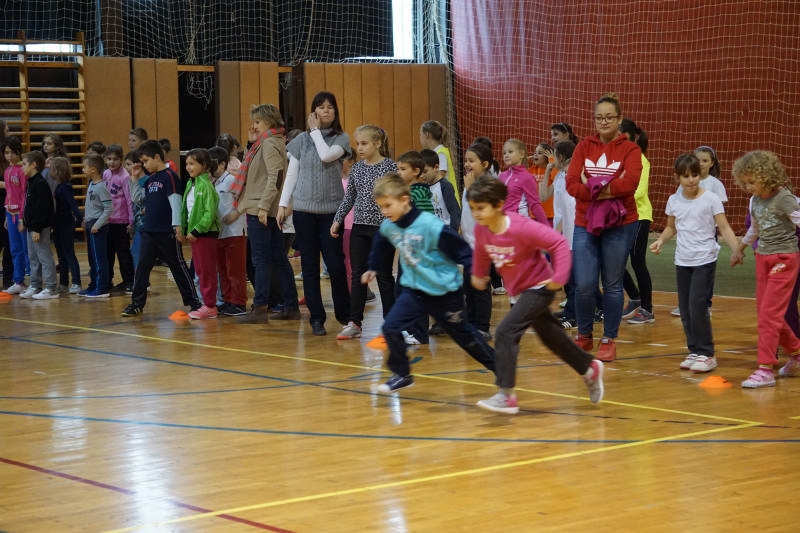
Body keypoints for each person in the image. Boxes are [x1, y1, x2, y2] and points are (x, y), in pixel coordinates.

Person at [468, 175, 604, 413]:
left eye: (481, 208)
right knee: (552, 337)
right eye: (472, 209)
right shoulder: (482, 230)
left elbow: (558, 243)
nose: (476, 214)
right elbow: (481, 251)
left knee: (505, 331)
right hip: (521, 291)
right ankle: (588, 368)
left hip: (540, 287)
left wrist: (559, 276)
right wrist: (478, 274)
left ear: (498, 205)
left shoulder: (520, 226)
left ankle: (506, 395)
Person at [364, 172, 496, 393]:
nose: (384, 211)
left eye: (388, 205)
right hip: (415, 291)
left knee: (465, 337)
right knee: (390, 327)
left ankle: (499, 366)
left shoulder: (430, 225)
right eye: (381, 207)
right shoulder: (390, 226)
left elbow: (462, 250)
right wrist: (372, 266)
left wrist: (476, 272)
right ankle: (402, 374)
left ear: (404, 200)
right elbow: (380, 241)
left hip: (445, 293)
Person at [565, 93, 642, 362]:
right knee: (585, 283)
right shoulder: (583, 147)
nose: (604, 122)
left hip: (621, 224)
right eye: (599, 118)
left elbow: (630, 184)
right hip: (585, 223)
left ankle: (609, 338)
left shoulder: (631, 150)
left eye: (609, 117)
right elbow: (571, 185)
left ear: (619, 119)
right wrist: (608, 188)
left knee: (612, 284)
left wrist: (592, 186)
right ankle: (584, 335)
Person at [650, 153, 742, 373]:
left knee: (697, 305)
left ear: (700, 175)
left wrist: (737, 249)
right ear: (677, 178)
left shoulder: (710, 199)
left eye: (694, 175)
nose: (691, 180)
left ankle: (707, 353)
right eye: (685, 176)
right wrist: (661, 240)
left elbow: (724, 227)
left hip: (705, 259)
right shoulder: (674, 200)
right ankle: (694, 350)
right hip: (683, 260)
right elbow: (671, 227)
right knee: (685, 309)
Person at [278, 91, 351, 336]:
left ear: (335, 111)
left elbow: (326, 155)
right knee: (309, 267)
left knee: (336, 265)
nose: (326, 110)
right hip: (303, 212)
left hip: (331, 213)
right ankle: (316, 318)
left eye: (330, 107)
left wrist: (316, 132)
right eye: (321, 107)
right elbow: (292, 173)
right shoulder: (301, 140)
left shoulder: (341, 138)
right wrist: (283, 203)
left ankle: (345, 315)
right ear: (314, 111)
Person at [731, 150, 800, 388]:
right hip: (763, 258)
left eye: (752, 182)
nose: (748, 187)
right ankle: (797, 353)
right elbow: (755, 229)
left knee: (769, 316)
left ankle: (765, 369)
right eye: (745, 183)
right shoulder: (755, 200)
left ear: (766, 176)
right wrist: (740, 249)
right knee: (766, 314)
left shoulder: (784, 198)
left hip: (784, 259)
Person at [233, 103, 299, 323]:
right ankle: (290, 305)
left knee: (260, 260)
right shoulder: (269, 141)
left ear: (269, 121)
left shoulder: (270, 143)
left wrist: (263, 206)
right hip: (267, 206)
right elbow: (254, 170)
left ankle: (260, 307)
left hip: (261, 207)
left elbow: (275, 176)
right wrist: (251, 142)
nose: (254, 125)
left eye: (258, 121)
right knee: (278, 258)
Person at [121, 140, 201, 316]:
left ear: (157, 157)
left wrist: (177, 225)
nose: (144, 165)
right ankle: (136, 303)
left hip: (167, 232)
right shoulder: (150, 179)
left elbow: (175, 201)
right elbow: (137, 199)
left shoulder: (169, 176)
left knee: (178, 266)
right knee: (142, 267)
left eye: (146, 161)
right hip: (149, 232)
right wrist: (134, 179)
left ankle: (194, 302)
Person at [331, 125, 397, 339]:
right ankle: (354, 322)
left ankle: (391, 323)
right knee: (358, 275)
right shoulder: (357, 168)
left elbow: (397, 197)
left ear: (377, 143)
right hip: (359, 228)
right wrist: (337, 219)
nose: (359, 148)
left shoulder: (390, 167)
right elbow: (349, 197)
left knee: (384, 275)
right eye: (358, 143)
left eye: (364, 143)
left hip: (384, 229)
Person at [671, 145, 728, 317]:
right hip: (687, 235)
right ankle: (684, 303)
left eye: (705, 160)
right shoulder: (683, 186)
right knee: (685, 270)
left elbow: (720, 213)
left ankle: (705, 304)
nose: (701, 164)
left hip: (706, 235)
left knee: (705, 272)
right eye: (698, 160)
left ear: (712, 163)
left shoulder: (715, 185)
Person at [394, 150, 435, 344]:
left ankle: (419, 333)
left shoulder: (418, 194)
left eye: (403, 169)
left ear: (416, 171)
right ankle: (408, 329)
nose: (399, 172)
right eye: (398, 168)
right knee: (402, 290)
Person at [618, 118, 655, 324]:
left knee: (637, 261)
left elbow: (639, 191)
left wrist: (614, 197)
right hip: (620, 216)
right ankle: (634, 297)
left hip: (639, 216)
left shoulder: (640, 159)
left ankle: (647, 310)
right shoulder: (617, 159)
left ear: (631, 138)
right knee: (614, 260)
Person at [541, 140, 578, 329]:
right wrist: (547, 172)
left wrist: (556, 234)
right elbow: (543, 196)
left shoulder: (573, 176)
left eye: (554, 156)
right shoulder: (560, 176)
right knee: (567, 279)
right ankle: (571, 312)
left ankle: (574, 316)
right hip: (563, 235)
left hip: (571, 235)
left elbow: (569, 210)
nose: (552, 159)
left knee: (574, 280)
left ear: (561, 157)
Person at [460, 141, 494, 338]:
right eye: (466, 160)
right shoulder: (470, 182)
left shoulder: (487, 185)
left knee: (480, 286)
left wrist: (471, 189)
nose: (467, 164)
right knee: (469, 285)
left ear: (485, 164)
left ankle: (482, 326)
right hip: (468, 244)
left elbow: (482, 214)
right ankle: (471, 323)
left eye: (471, 160)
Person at [181, 148, 221, 319]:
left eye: (192, 164)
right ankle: (206, 303)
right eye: (187, 164)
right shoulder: (191, 184)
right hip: (195, 235)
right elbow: (186, 210)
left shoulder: (206, 185)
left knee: (206, 271)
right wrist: (184, 229)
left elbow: (209, 213)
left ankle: (210, 306)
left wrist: (197, 230)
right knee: (199, 270)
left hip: (205, 234)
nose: (188, 167)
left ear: (204, 165)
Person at [208, 146, 248, 316]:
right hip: (220, 232)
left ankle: (239, 303)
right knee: (223, 270)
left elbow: (245, 198)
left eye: (213, 164)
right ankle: (228, 300)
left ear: (222, 164)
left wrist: (235, 213)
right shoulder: (213, 183)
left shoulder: (232, 180)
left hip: (235, 232)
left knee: (235, 270)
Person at [17, 151, 58, 300]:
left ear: (33, 165)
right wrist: (25, 221)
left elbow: (43, 209)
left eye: (24, 164)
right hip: (31, 227)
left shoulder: (40, 183)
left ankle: (51, 288)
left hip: (39, 228)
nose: (22, 167)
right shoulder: (31, 182)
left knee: (44, 257)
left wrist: (37, 229)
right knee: (33, 257)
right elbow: (30, 207)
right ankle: (35, 285)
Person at [102, 143, 135, 293]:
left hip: (121, 222)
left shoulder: (125, 177)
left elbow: (129, 200)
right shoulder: (106, 174)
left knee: (123, 254)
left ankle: (129, 281)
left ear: (121, 159)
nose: (112, 162)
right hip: (107, 221)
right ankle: (108, 280)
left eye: (115, 159)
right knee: (108, 253)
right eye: (109, 159)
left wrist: (131, 221)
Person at [79, 154, 113, 298]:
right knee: (92, 259)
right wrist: (86, 218)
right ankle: (93, 284)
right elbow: (93, 206)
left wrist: (97, 224)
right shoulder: (91, 184)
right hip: (91, 224)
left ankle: (102, 288)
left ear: (93, 169)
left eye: (84, 167)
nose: (82, 170)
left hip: (97, 227)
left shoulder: (101, 187)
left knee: (99, 259)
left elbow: (108, 208)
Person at [50, 157, 83, 294]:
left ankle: (76, 282)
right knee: (61, 255)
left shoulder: (66, 187)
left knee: (69, 253)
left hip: (66, 225)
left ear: (58, 171)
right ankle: (63, 283)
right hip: (58, 224)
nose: (50, 171)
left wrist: (80, 219)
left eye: (52, 169)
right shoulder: (59, 186)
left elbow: (72, 204)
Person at [497, 138, 548, 224]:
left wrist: (547, 228)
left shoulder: (527, 177)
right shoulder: (501, 176)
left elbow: (535, 205)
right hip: (503, 224)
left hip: (520, 224)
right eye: (504, 153)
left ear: (521, 154)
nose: (506, 155)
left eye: (510, 152)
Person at [2, 136, 28, 295]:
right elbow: (9, 193)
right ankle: (18, 281)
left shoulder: (22, 170)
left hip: (21, 215)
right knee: (15, 249)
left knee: (27, 249)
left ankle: (35, 282)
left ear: (19, 152)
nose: (9, 156)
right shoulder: (7, 170)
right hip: (10, 213)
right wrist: (7, 214)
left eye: (12, 152)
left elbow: (24, 195)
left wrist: (22, 217)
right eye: (6, 153)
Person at [420, 148, 460, 231]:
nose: (422, 176)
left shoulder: (445, 186)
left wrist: (453, 232)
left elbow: (454, 211)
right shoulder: (425, 187)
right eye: (420, 172)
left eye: (425, 171)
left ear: (436, 167)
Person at [419, 120, 459, 203]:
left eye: (420, 134)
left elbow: (441, 175)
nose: (420, 137)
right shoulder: (437, 151)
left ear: (427, 135)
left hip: (448, 199)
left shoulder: (441, 152)